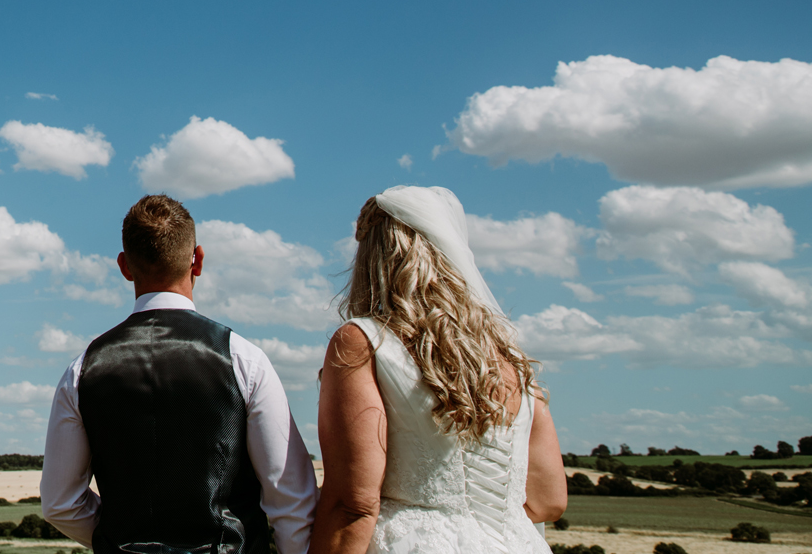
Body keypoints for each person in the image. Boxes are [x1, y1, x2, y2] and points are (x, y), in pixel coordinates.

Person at [42, 194, 319, 554]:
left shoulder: (82, 370)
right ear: (198, 260)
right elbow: (291, 498)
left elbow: (60, 504)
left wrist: (119, 541)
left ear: (125, 266)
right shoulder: (243, 359)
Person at [310, 186, 567, 554]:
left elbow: (354, 503)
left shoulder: (363, 342)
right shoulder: (508, 359)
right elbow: (549, 502)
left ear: (370, 259)